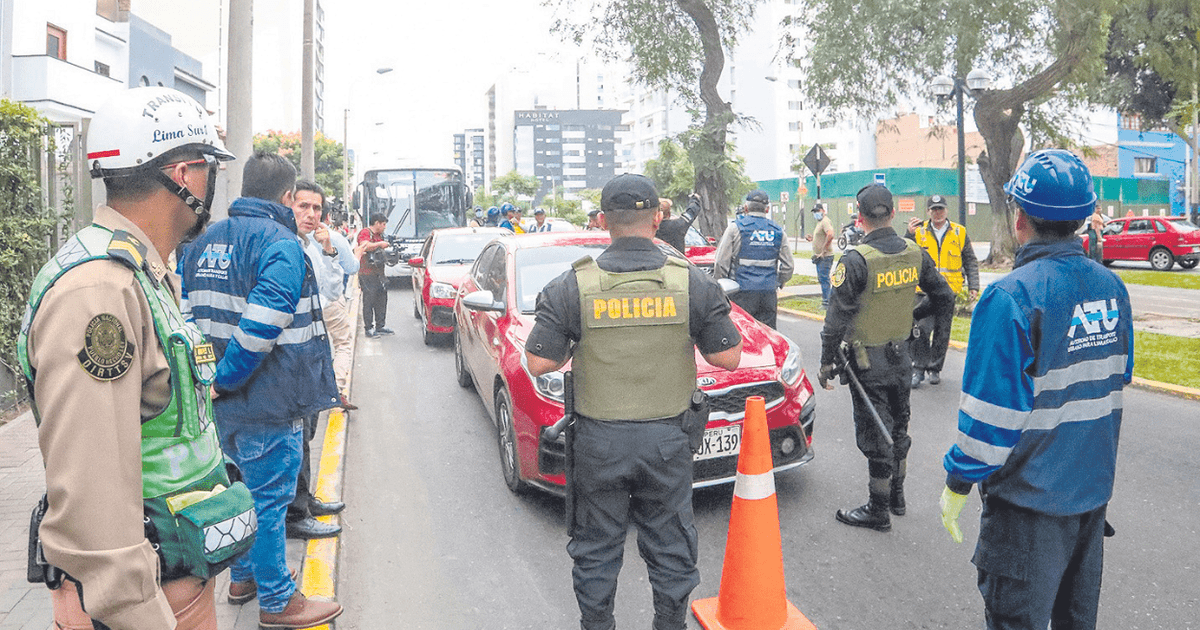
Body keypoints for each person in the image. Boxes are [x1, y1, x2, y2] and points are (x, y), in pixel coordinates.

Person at [18, 86, 253, 630]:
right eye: (209, 169)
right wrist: (141, 616)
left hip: (172, 589)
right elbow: (91, 489)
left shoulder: (142, 274)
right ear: (186, 175)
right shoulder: (98, 292)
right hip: (140, 608)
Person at [525, 173, 743, 630]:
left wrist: (576, 344)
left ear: (604, 220)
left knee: (596, 548)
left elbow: (540, 363)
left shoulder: (573, 284)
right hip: (667, 440)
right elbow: (728, 356)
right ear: (658, 219)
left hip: (598, 442)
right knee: (671, 545)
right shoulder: (690, 281)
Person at [938, 150, 1133, 630]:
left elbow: (988, 420)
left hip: (1028, 508)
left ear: (1018, 217)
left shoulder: (1011, 297)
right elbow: (1115, 377)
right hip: (1089, 498)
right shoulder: (1111, 287)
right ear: (1084, 218)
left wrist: (958, 481)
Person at [179, 152, 343, 628]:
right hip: (266, 400)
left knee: (241, 490)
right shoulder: (280, 244)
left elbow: (190, 314)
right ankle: (279, 600)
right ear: (288, 197)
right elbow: (260, 328)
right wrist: (225, 379)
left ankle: (243, 577)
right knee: (269, 500)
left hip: (222, 404)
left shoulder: (205, 239)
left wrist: (210, 382)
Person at [817, 184, 954, 532]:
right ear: (892, 213)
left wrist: (826, 362)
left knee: (876, 432)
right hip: (902, 358)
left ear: (860, 218)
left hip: (867, 363)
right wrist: (915, 316)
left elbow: (835, 320)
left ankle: (878, 509)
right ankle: (897, 496)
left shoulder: (855, 261)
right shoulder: (915, 253)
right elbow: (945, 298)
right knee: (898, 424)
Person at [285, 179, 353, 541]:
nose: (311, 214)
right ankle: (295, 512)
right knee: (295, 434)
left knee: (307, 431)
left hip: (310, 353)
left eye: (316, 208)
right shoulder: (281, 245)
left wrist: (328, 251)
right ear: (288, 204)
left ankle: (306, 501)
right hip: (289, 359)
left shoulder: (311, 244)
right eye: (303, 206)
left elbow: (331, 291)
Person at [905, 194, 980, 388]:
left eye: (941, 209)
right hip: (924, 292)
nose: (937, 213)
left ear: (946, 210)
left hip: (948, 292)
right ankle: (919, 368)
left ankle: (935, 369)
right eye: (933, 209)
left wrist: (973, 285)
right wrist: (908, 234)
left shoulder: (959, 232)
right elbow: (904, 253)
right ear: (928, 212)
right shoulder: (919, 232)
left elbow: (970, 260)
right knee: (920, 329)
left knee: (942, 332)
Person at [713, 190, 795, 328]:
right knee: (767, 336)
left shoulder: (735, 228)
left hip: (740, 293)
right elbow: (789, 266)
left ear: (746, 208)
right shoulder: (778, 231)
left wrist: (721, 287)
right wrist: (779, 281)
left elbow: (721, 262)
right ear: (767, 209)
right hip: (768, 293)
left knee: (743, 334)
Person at [357, 214, 393, 337]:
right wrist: (379, 244)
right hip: (367, 273)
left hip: (379, 273)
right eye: (383, 224)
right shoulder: (365, 232)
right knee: (369, 300)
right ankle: (368, 328)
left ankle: (380, 325)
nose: (384, 227)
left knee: (381, 299)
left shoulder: (380, 236)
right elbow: (364, 245)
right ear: (377, 223)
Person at [806, 203, 835, 308]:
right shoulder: (820, 223)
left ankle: (827, 301)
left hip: (825, 256)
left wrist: (824, 249)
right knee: (822, 278)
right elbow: (822, 237)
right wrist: (812, 239)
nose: (816, 214)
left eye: (817, 211)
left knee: (824, 278)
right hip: (819, 256)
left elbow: (830, 234)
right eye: (814, 212)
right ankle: (827, 299)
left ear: (823, 211)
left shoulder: (825, 221)